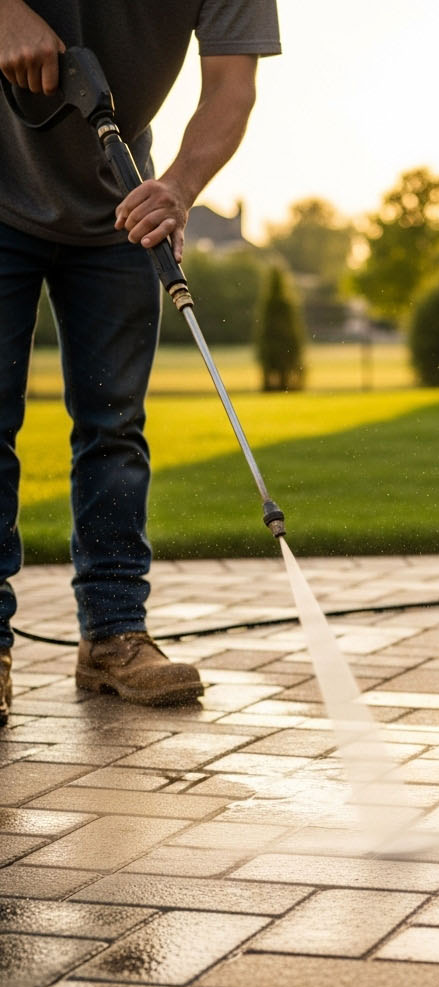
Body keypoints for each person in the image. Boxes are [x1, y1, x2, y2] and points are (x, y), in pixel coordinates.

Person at [0, 0, 281, 723]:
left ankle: (114, 637)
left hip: (123, 210)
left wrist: (178, 190)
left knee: (115, 427)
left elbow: (231, 86)